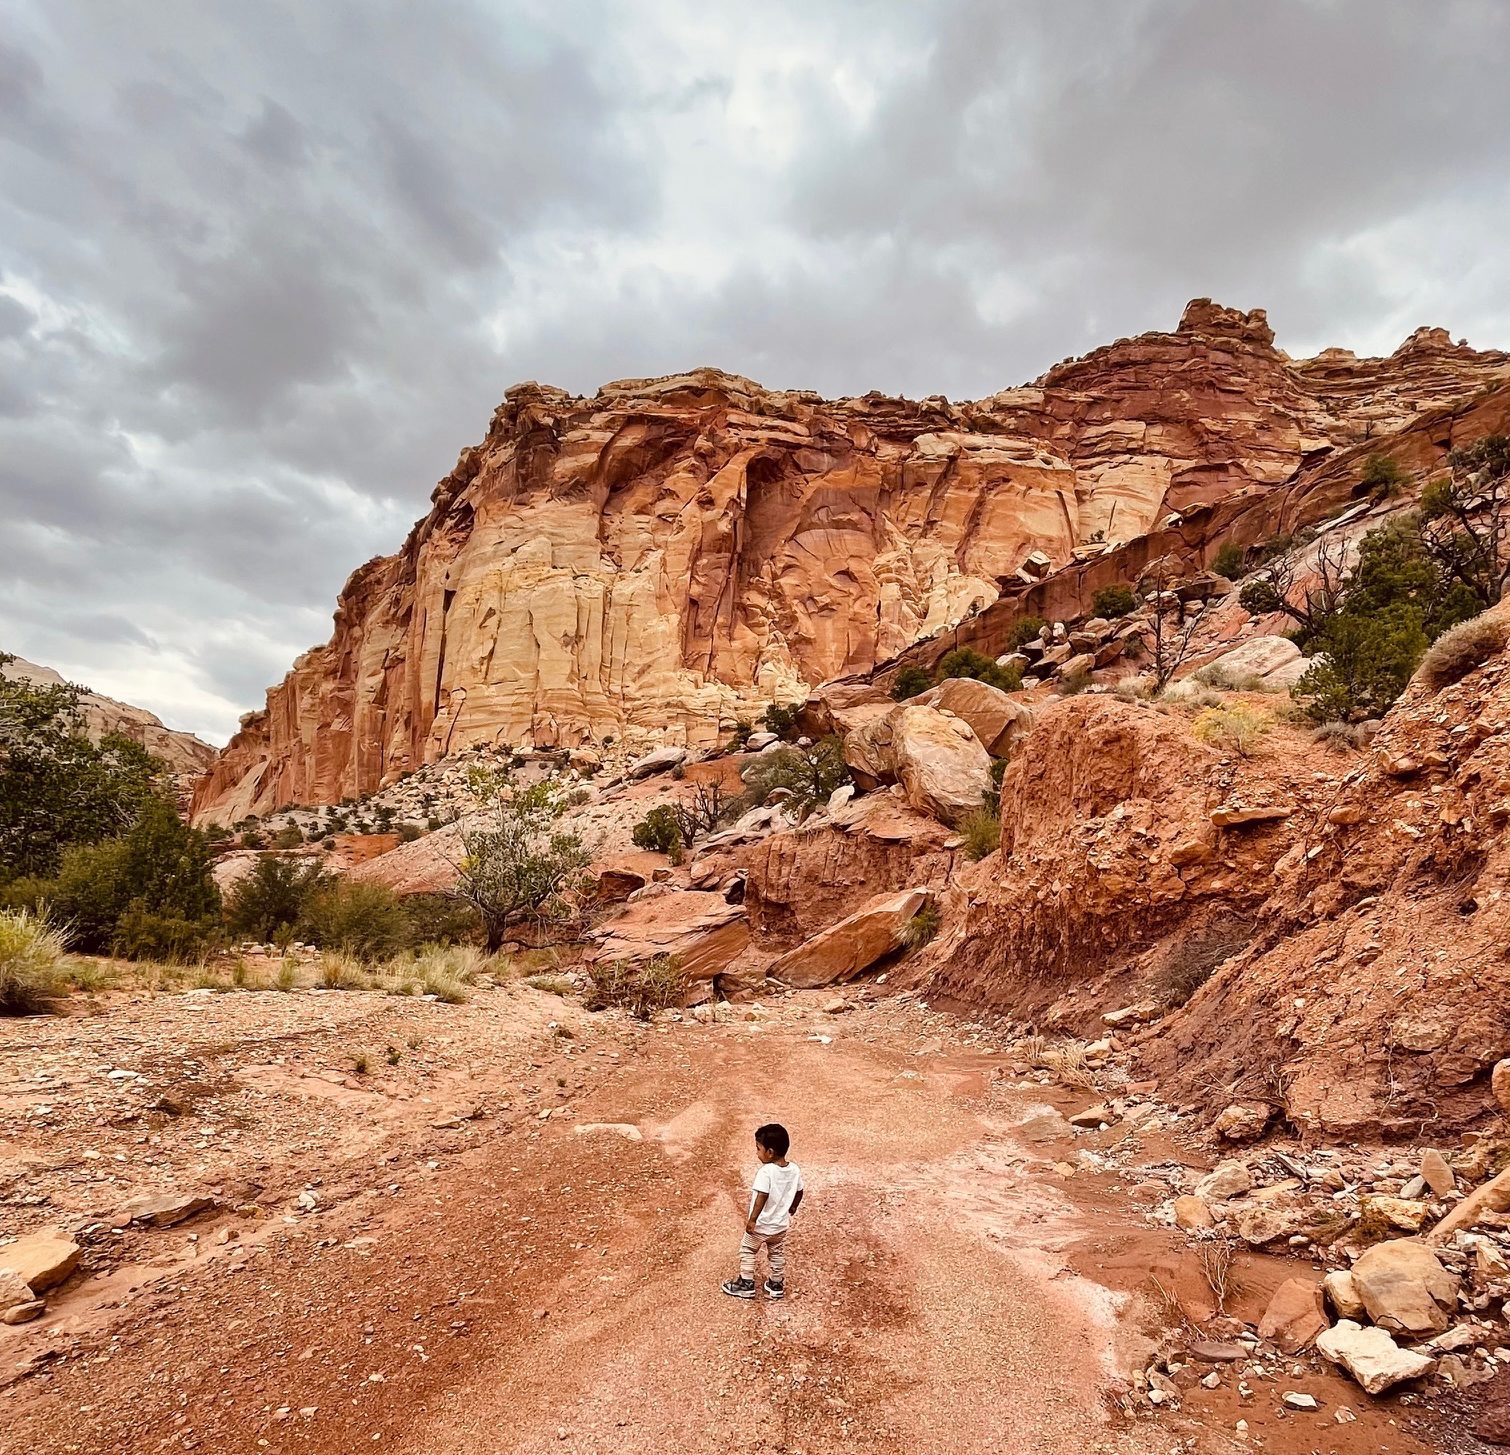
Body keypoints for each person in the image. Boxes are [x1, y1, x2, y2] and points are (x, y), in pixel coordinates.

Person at [721, 1122, 803, 1301]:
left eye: (758, 1149)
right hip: (780, 1227)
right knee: (776, 1252)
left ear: (770, 1152)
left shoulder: (766, 1172)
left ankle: (746, 1284)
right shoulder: (794, 1169)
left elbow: (762, 1196)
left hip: (761, 1226)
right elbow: (799, 1191)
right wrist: (793, 1206)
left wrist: (752, 1220)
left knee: (748, 1250)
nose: (757, 1153)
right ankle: (776, 1285)